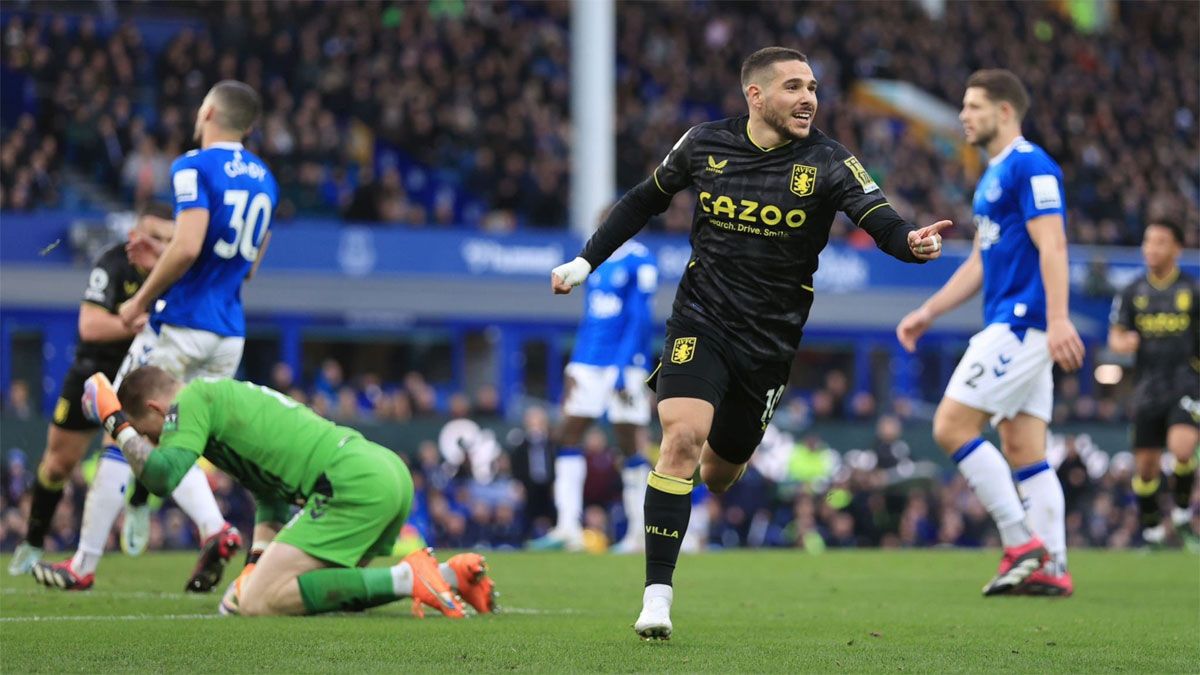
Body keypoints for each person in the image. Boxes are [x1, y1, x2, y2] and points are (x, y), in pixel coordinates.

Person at [550, 46, 949, 640]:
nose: (808, 98)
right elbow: (641, 200)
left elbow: (879, 218)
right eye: (793, 86)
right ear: (755, 96)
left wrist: (910, 242)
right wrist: (586, 261)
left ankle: (711, 473)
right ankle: (656, 597)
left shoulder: (829, 160)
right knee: (679, 439)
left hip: (768, 346)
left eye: (812, 87)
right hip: (700, 322)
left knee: (717, 473)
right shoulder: (704, 144)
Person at [33, 80, 277, 593]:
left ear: (208, 110)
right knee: (180, 437)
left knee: (118, 428)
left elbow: (188, 247)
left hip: (181, 325)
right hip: (229, 333)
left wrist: (138, 302)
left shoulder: (192, 166)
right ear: (249, 126)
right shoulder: (265, 179)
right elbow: (247, 267)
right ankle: (216, 530)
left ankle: (84, 563)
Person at [79, 366, 496, 618]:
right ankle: (449, 576)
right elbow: (270, 495)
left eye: (151, 434)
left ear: (155, 410)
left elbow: (163, 476)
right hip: (382, 471)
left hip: (350, 482)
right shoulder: (218, 399)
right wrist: (255, 563)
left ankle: (408, 576)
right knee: (310, 591)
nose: (154, 444)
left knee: (260, 602)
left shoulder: (188, 402)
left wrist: (115, 422)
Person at [896, 69, 1084, 597]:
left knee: (951, 426)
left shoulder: (1031, 166)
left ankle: (1023, 544)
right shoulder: (990, 177)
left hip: (1023, 324)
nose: (963, 115)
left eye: (974, 106)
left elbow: (1054, 244)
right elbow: (982, 260)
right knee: (1024, 447)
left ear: (1004, 111)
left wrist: (1060, 318)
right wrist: (928, 311)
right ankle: (1053, 565)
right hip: (1015, 321)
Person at [7, 203, 174, 577]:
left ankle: (139, 503)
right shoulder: (113, 264)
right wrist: (136, 324)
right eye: (155, 237)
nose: (163, 247)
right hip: (94, 369)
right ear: (135, 237)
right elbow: (91, 326)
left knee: (149, 438)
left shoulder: (178, 272)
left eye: (170, 240)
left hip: (143, 375)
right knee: (57, 465)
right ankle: (33, 541)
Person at [531, 241, 658, 552]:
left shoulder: (640, 260)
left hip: (625, 364)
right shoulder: (593, 258)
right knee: (567, 435)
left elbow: (641, 317)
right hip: (589, 362)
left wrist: (625, 363)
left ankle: (639, 534)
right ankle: (568, 528)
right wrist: (574, 363)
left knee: (629, 442)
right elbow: (590, 317)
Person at [1108, 219, 1199, 545]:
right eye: (1148, 241)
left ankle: (1181, 512)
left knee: (1182, 447)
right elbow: (1115, 335)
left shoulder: (1192, 290)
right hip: (1146, 388)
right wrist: (1123, 344)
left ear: (1176, 248)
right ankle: (1152, 528)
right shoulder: (1132, 291)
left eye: (1160, 242)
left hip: (1186, 383)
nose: (1152, 248)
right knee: (1146, 468)